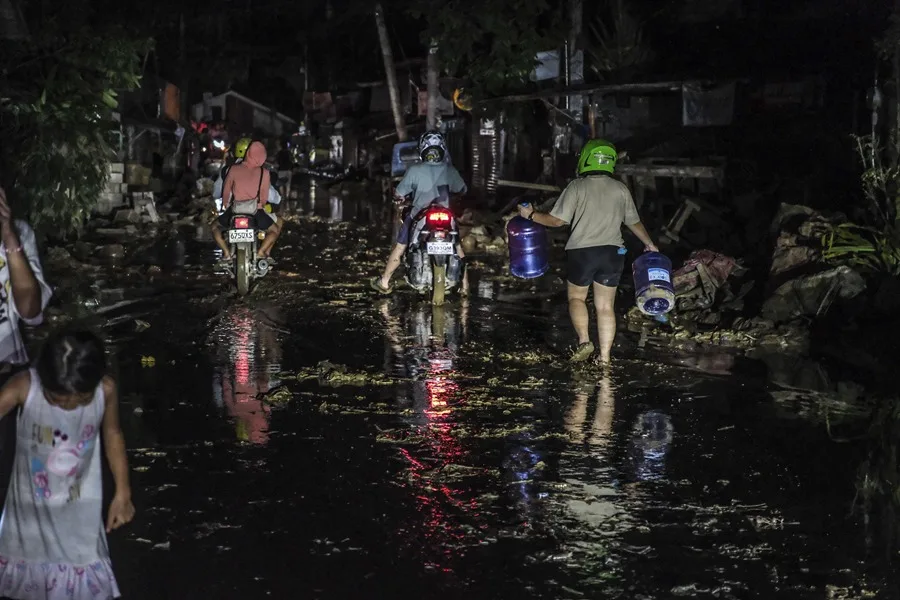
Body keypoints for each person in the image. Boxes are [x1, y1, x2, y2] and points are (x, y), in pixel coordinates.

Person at [0, 329, 134, 599]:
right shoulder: (24, 387)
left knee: (78, 571)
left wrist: (123, 492)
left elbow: (113, 434)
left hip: (80, 508)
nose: (71, 405)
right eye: (59, 399)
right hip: (29, 511)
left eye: (81, 399)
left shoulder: (104, 390)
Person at [517, 139, 658, 365]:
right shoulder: (620, 188)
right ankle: (604, 358)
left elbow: (556, 221)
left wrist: (531, 216)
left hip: (582, 252)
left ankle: (584, 341)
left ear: (585, 159)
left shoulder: (576, 187)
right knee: (605, 306)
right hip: (613, 253)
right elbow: (634, 222)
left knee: (576, 297)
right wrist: (650, 244)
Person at [371, 131, 469, 295]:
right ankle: (465, 287)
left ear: (422, 150)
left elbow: (400, 193)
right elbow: (462, 189)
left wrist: (398, 198)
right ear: (442, 149)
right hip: (446, 216)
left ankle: (385, 282)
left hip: (419, 215)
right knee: (458, 247)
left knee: (401, 247)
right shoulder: (449, 170)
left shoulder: (414, 170)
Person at [212, 140, 283, 262]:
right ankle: (262, 252)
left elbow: (225, 190)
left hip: (234, 210)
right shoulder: (264, 172)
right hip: (255, 211)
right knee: (275, 229)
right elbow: (266, 196)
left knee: (214, 227)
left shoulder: (231, 169)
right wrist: (262, 205)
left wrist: (225, 205)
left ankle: (226, 253)